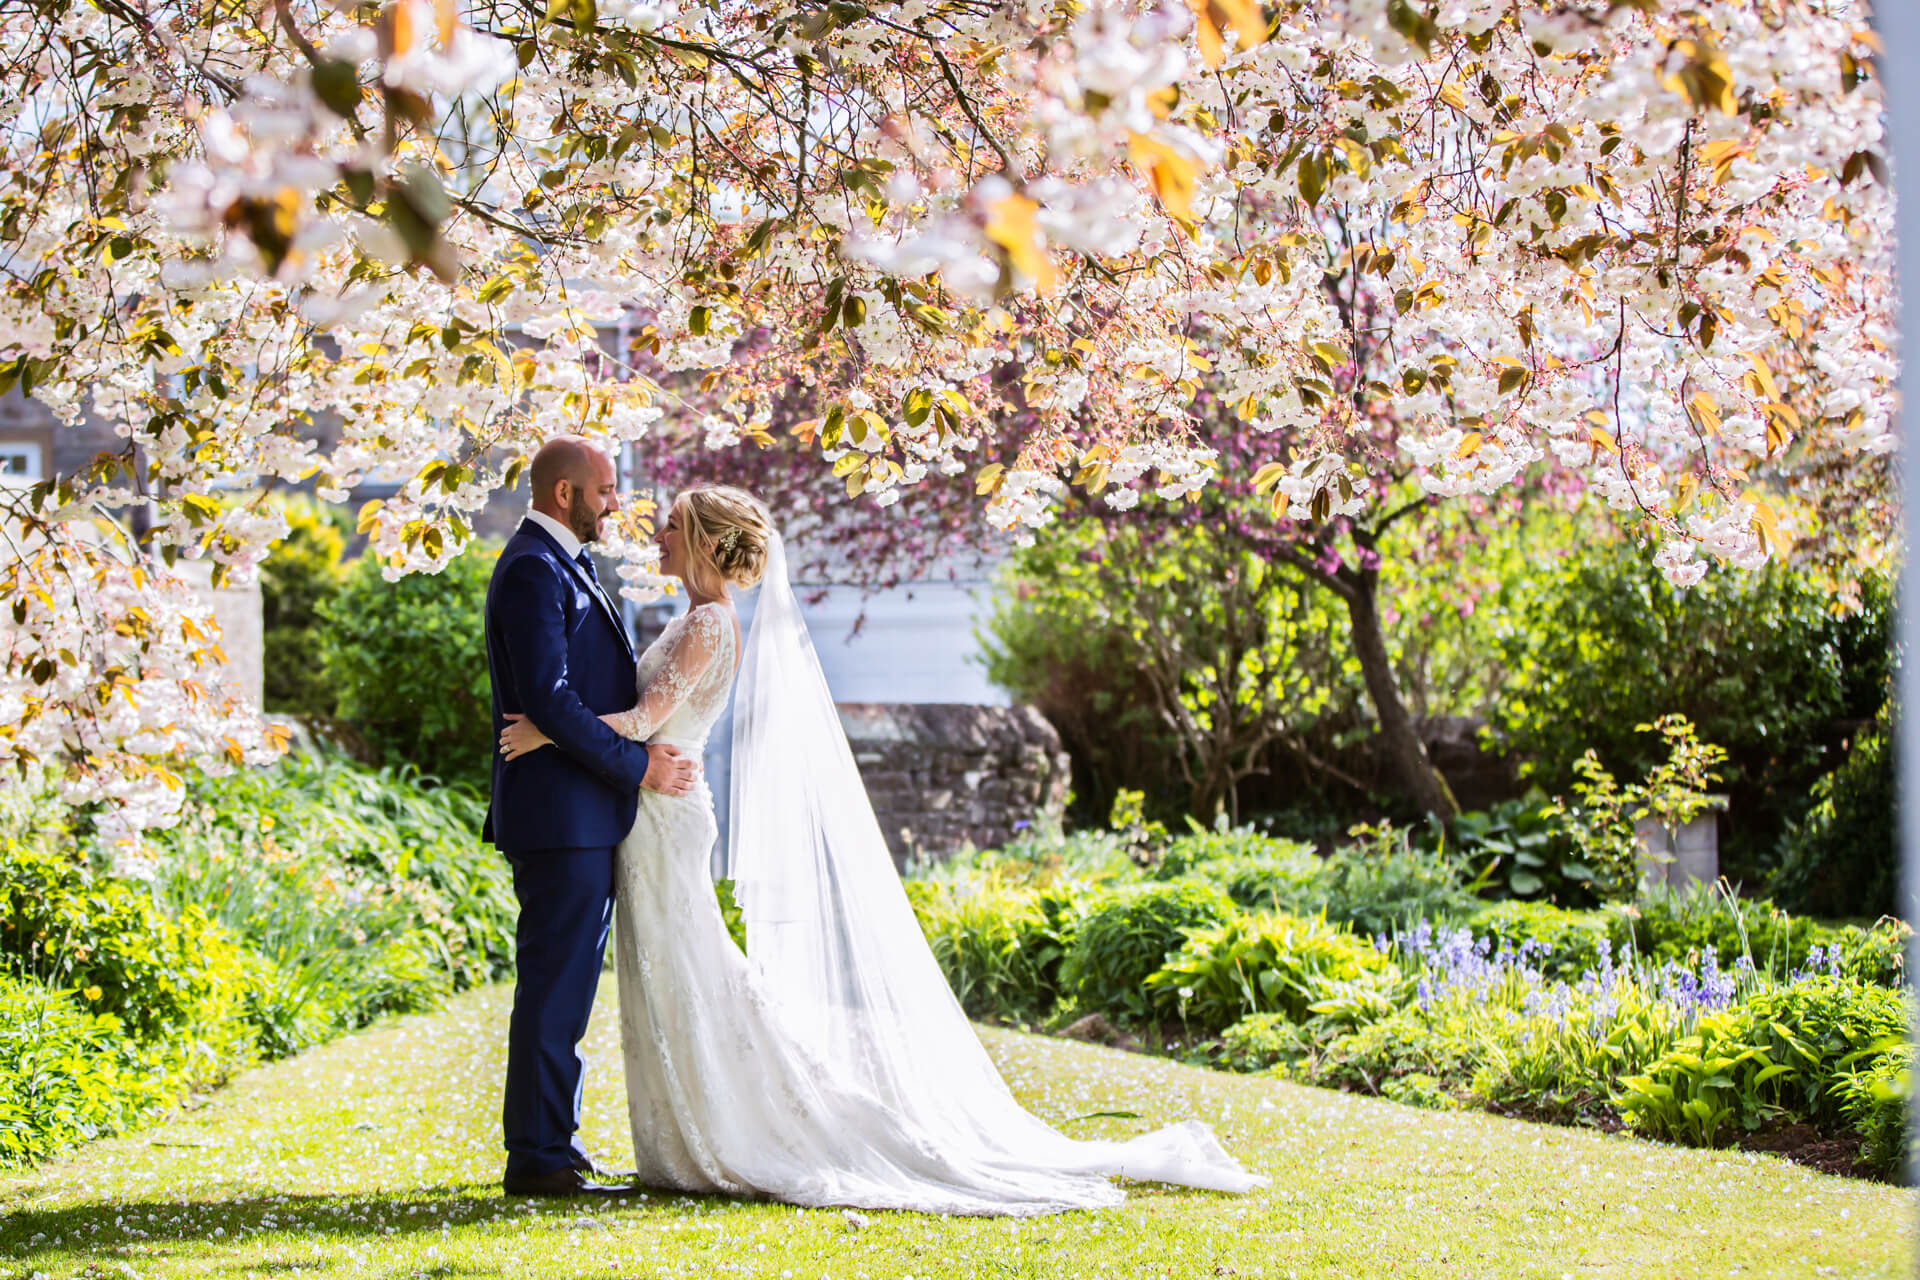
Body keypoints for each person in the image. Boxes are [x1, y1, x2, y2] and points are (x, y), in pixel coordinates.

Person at [500, 482, 1266, 1214]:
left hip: (667, 815)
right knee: (672, 972)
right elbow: (635, 713)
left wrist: (545, 729)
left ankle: (740, 1126)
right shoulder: (690, 616)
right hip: (652, 812)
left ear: (701, 540)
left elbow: (643, 720)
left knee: (693, 968)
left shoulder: (707, 625)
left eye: (670, 524)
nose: (654, 532)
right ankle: (677, 1133)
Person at [482, 435, 696, 1198]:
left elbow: (567, 698)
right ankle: (539, 1157)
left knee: (563, 988)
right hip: (558, 817)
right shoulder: (534, 572)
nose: (615, 503)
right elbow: (548, 697)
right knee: (555, 987)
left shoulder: (562, 564)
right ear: (566, 493)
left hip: (577, 814)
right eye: (606, 490)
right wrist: (636, 765)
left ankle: (553, 1146)